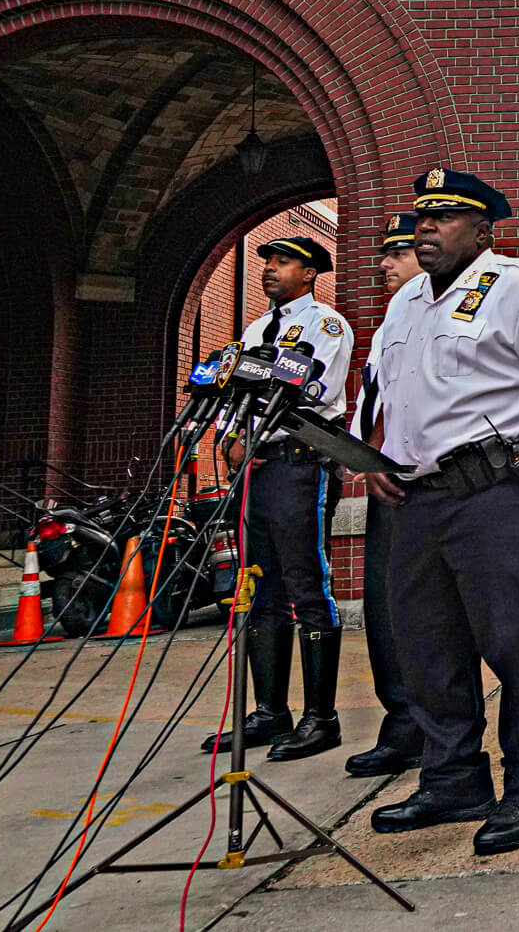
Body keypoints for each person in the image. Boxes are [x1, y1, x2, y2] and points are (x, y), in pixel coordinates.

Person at [361, 167, 519, 856]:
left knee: (517, 645)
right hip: (415, 501)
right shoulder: (405, 302)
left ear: (481, 230)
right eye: (421, 217)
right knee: (426, 648)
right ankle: (453, 780)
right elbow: (390, 390)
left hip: (494, 495)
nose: (425, 229)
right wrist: (376, 453)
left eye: (443, 218)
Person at [202, 235, 356, 763]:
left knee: (306, 584)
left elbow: (311, 392)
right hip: (256, 469)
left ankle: (321, 718)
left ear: (309, 273)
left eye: (283, 261)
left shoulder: (325, 324)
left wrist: (254, 431)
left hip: (299, 465)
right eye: (267, 260)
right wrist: (230, 437)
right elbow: (234, 391)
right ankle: (270, 711)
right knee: (259, 585)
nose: (270, 268)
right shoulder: (254, 330)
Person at [342, 213, 431, 778]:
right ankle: (401, 722)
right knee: (383, 608)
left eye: (398, 253)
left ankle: (422, 729)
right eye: (385, 253)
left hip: (425, 481)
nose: (384, 264)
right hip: (384, 479)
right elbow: (375, 397)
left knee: (421, 614)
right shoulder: (392, 318)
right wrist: (361, 455)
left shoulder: (444, 313)